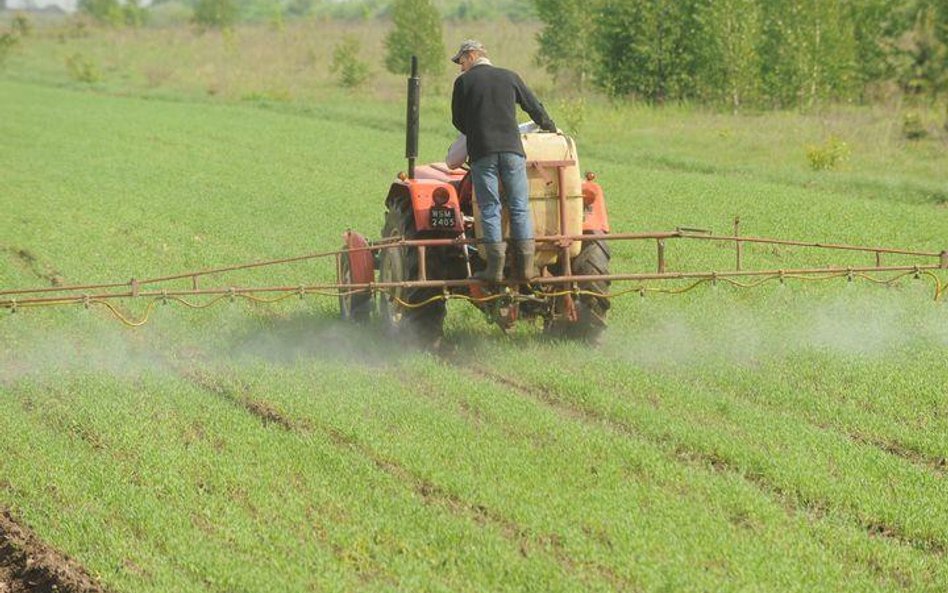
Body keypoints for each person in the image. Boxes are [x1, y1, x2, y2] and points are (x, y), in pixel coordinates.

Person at [449, 39, 556, 283]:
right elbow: (533, 107)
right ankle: (527, 268)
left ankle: (494, 269)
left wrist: (477, 129)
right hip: (512, 151)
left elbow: (457, 121)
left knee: (489, 207)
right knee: (519, 205)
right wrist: (549, 126)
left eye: (462, 60)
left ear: (473, 55)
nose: (460, 66)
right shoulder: (510, 77)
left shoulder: (464, 83)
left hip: (483, 152)